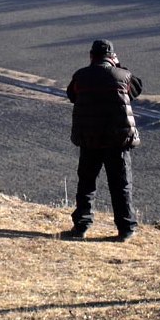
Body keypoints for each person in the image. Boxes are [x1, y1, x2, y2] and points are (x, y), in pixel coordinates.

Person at [65, 39, 142, 242]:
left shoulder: (80, 76)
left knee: (87, 184)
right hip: (118, 141)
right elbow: (136, 90)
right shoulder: (123, 76)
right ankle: (126, 228)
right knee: (121, 185)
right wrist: (119, 67)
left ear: (92, 56)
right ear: (112, 57)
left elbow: (71, 95)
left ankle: (81, 225)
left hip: (89, 140)